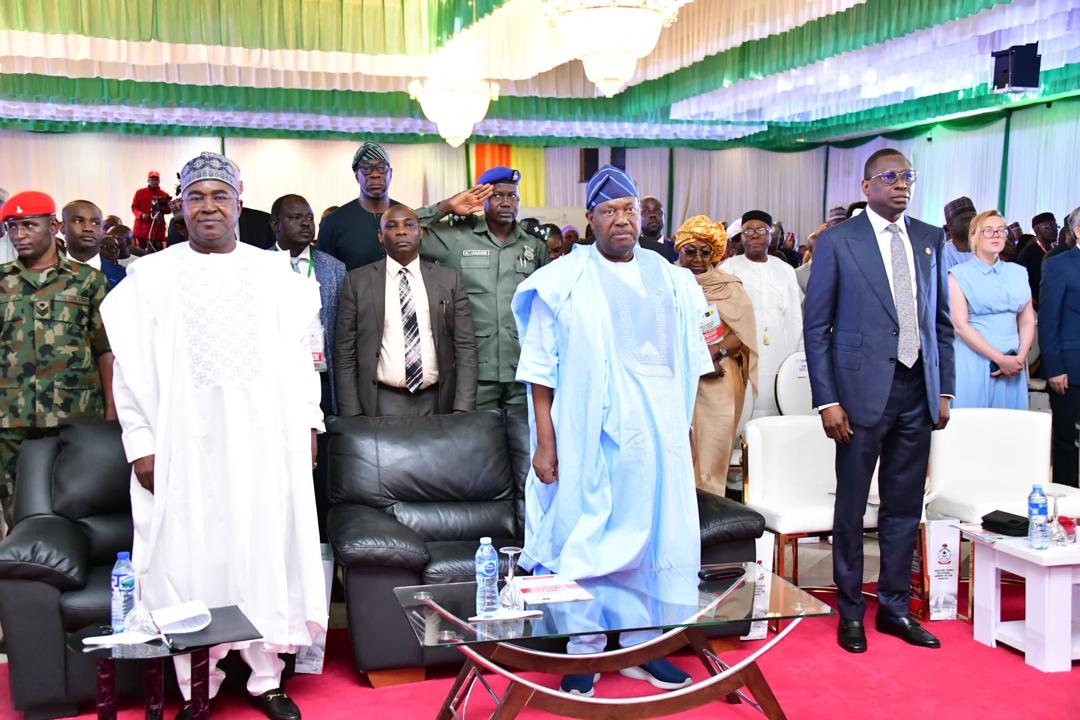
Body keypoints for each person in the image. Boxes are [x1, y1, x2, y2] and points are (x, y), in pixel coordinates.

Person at [101, 152, 326, 720]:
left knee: (261, 549)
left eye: (218, 196)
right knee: (187, 555)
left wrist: (309, 423)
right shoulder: (148, 279)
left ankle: (266, 678)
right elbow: (127, 373)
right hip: (183, 446)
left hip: (264, 442)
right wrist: (141, 444)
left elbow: (303, 361)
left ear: (238, 202)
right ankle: (193, 684)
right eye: (196, 196)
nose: (208, 207)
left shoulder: (277, 276)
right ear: (179, 206)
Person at [512, 165, 711, 697]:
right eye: (608, 211)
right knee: (588, 539)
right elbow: (539, 370)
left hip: (658, 440)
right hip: (588, 439)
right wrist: (546, 444)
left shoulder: (672, 277)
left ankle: (644, 647)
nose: (621, 220)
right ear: (589, 220)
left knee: (655, 537)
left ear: (642, 216)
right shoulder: (562, 280)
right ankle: (585, 650)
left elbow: (692, 361)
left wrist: (684, 433)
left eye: (629, 209)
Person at [804, 148, 954, 654]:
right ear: (866, 186)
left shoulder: (930, 239)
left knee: (904, 507)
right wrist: (827, 400)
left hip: (918, 392)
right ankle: (850, 612)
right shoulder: (840, 241)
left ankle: (893, 608)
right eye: (890, 177)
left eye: (907, 176)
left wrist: (944, 390)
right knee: (851, 508)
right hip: (859, 394)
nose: (901, 184)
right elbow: (816, 327)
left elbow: (940, 325)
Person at [0, 191, 115, 531]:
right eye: (12, 227)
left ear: (53, 226)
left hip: (75, 414)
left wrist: (111, 409)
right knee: (16, 507)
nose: (19, 235)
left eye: (28, 226)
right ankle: (29, 575)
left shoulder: (88, 281)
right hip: (12, 417)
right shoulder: (2, 281)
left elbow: (105, 350)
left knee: (78, 503)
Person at [418, 166, 548, 409]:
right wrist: (445, 206)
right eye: (498, 195)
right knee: (478, 444)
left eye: (513, 196)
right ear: (481, 199)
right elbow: (400, 231)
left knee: (523, 443)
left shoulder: (533, 243)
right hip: (472, 371)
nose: (507, 202)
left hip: (522, 368)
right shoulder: (456, 236)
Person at [336, 204, 477, 417]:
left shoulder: (449, 279)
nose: (401, 231)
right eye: (392, 226)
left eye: (409, 225)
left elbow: (466, 347)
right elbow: (345, 353)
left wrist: (462, 407)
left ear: (420, 232)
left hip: (437, 400)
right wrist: (351, 412)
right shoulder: (357, 282)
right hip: (379, 402)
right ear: (380, 236)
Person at [674, 215, 757, 496]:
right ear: (679, 250)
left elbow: (742, 336)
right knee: (677, 457)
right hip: (675, 378)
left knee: (712, 453)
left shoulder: (728, 286)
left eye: (705, 251)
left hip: (718, 378)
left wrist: (714, 353)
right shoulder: (666, 281)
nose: (698, 258)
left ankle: (710, 524)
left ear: (715, 253)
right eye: (691, 250)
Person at [720, 210, 802, 420]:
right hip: (744, 350)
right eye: (748, 231)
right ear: (742, 236)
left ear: (770, 235)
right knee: (745, 406)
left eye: (760, 230)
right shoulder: (728, 268)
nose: (754, 235)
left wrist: (797, 354)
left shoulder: (785, 269)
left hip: (780, 349)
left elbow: (795, 316)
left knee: (778, 401)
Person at [269, 194, 346, 416]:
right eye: (295, 217)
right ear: (275, 224)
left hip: (321, 375)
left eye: (310, 218)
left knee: (322, 448)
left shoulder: (334, 268)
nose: (305, 223)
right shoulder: (258, 266)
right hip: (276, 379)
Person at [948, 210, 1034, 409]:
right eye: (988, 231)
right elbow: (960, 326)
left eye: (1001, 230)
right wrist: (999, 359)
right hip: (974, 358)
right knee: (973, 425)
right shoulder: (958, 275)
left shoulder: (1018, 272)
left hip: (1014, 360)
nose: (996, 235)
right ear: (974, 236)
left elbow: (1027, 319)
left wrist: (1019, 357)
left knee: (1009, 428)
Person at [1038, 205, 1080, 488]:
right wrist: (1053, 367)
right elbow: (1048, 319)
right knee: (1068, 441)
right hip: (1070, 368)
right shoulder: (1059, 264)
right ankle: (1067, 504)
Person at [317, 142, 401, 270]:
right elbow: (325, 276)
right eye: (366, 169)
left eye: (382, 168)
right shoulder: (333, 223)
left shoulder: (406, 218)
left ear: (391, 173)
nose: (375, 174)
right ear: (357, 176)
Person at [1018, 212, 1057, 307]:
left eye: (1056, 226)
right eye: (1049, 227)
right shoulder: (1030, 253)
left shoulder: (1052, 250)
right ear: (1037, 231)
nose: (1055, 230)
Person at [131, 170, 171, 251]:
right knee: (141, 254)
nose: (154, 182)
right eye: (152, 179)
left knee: (157, 254)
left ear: (159, 181)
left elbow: (168, 211)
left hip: (158, 231)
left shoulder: (164, 195)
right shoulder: (139, 193)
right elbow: (134, 207)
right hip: (141, 230)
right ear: (148, 180)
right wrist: (141, 215)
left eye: (156, 180)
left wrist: (167, 206)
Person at [61, 199, 105, 271]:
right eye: (78, 221)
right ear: (62, 227)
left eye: (95, 223)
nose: (88, 228)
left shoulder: (123, 276)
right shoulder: (44, 274)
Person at [941, 196, 975, 271]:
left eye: (975, 219)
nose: (973, 223)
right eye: (967, 219)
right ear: (950, 225)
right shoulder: (944, 253)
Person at [639, 196, 676, 261]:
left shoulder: (676, 249)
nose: (652, 215)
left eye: (656, 210)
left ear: (664, 215)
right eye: (645, 211)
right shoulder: (632, 250)